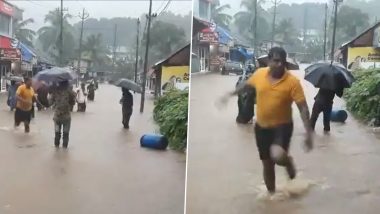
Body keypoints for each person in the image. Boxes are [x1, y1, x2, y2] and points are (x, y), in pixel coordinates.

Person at [218, 47, 313, 194]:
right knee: (267, 165)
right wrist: (228, 95)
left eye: (282, 61)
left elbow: (303, 108)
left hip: (282, 127)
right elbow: (246, 85)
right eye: (276, 61)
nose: (280, 64)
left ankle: (288, 163)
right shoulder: (259, 74)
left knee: (277, 154)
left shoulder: (292, 82)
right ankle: (272, 197)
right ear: (269, 61)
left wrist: (308, 133)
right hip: (262, 127)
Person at [49, 81, 76, 148]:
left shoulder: (55, 92)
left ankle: (57, 149)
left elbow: (50, 103)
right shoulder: (70, 92)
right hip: (66, 116)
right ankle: (64, 148)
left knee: (57, 133)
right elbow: (73, 102)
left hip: (57, 116)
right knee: (66, 134)